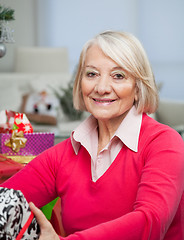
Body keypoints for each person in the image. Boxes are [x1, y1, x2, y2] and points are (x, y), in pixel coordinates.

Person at [1, 30, 184, 240]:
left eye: (118, 75)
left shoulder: (164, 143)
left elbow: (151, 221)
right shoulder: (62, 155)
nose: (102, 87)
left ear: (137, 88)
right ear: (80, 82)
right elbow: (5, 200)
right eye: (91, 74)